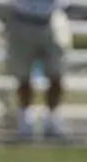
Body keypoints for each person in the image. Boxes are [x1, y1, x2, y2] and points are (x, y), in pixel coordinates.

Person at [8, 0, 71, 138]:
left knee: (57, 73)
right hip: (23, 19)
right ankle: (25, 120)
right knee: (23, 75)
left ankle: (53, 120)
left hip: (52, 19)